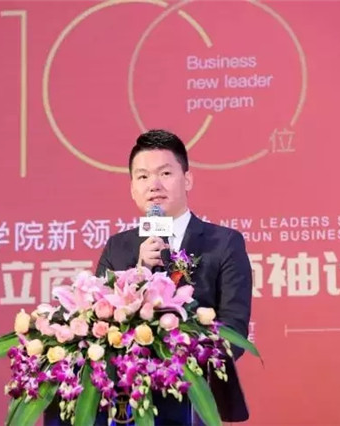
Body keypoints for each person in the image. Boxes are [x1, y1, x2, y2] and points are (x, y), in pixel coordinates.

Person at [95, 129, 253, 424]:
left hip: (193, 400)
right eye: (143, 176)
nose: (153, 185)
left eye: (165, 173)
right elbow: (99, 321)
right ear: (132, 188)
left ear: (187, 180)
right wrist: (139, 271)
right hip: (124, 402)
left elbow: (234, 329)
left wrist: (179, 360)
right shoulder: (118, 247)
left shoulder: (223, 243)